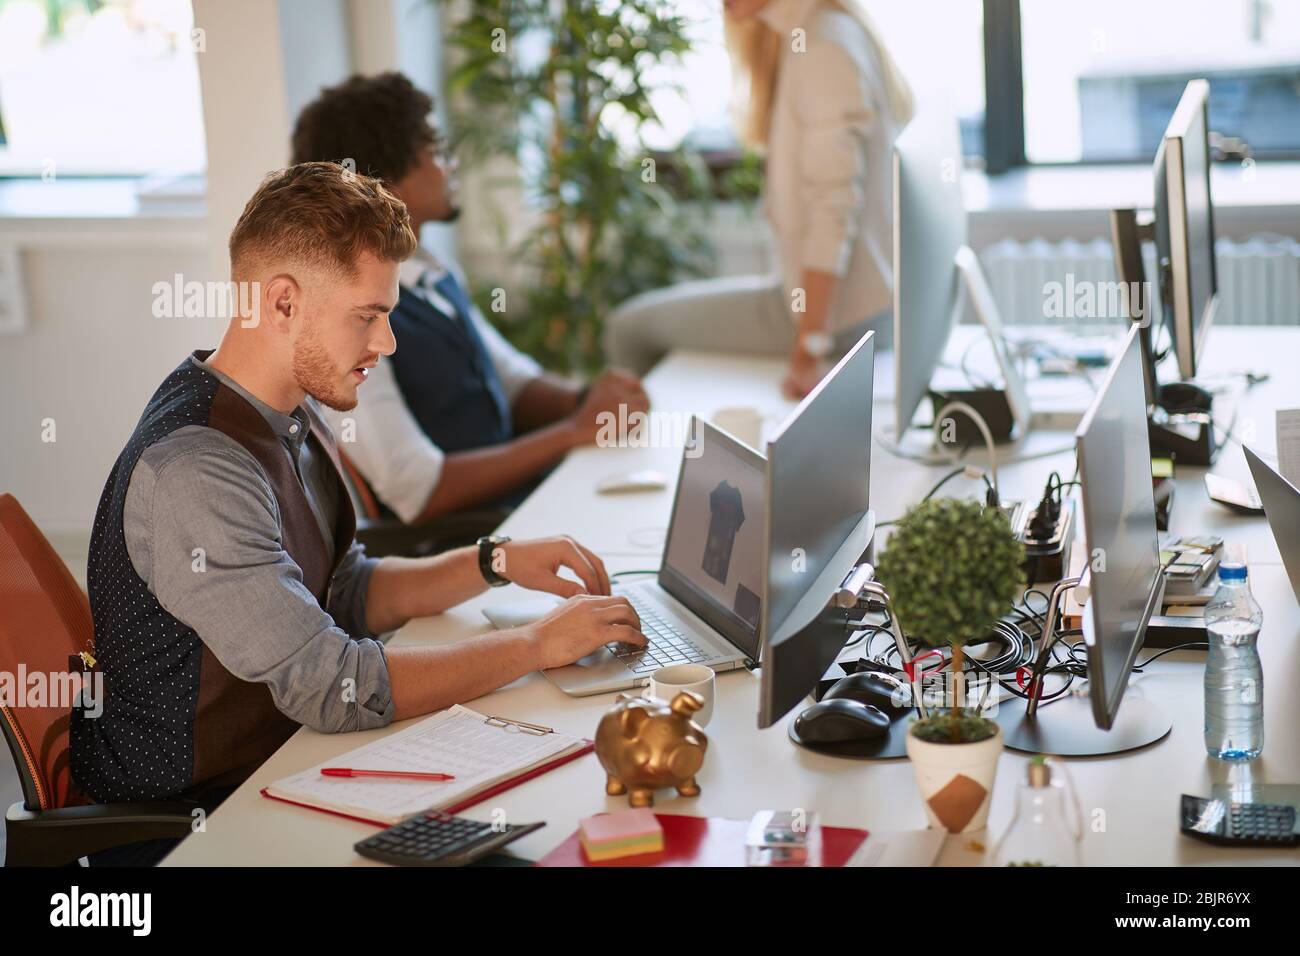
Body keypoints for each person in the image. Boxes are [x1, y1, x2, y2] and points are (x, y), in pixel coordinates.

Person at [70, 163, 645, 863]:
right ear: (283, 304)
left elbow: (344, 590)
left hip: (282, 766)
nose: (387, 343)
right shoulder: (197, 469)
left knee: (531, 821)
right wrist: (535, 646)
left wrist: (493, 562)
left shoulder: (287, 411)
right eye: (367, 316)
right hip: (193, 825)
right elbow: (334, 687)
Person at [290, 72, 650, 523]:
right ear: (389, 183)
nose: (451, 164)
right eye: (436, 151)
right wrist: (574, 432)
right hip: (471, 545)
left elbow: (512, 380)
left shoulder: (431, 271)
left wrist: (589, 400)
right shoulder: (342, 318)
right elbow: (418, 490)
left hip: (524, 507)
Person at [605, 0, 914, 399]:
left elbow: (833, 211)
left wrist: (810, 346)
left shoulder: (821, 46)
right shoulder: (819, 32)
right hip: (849, 309)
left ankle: (639, 458)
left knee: (630, 328)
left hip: (835, 321)